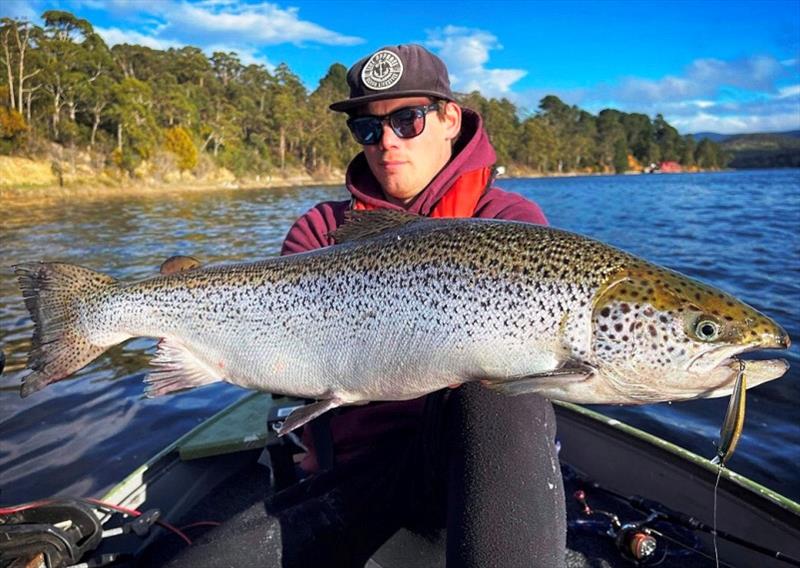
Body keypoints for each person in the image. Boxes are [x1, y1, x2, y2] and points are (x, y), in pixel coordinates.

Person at [160, 44, 566, 568]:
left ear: (449, 120)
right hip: (355, 480)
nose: (387, 143)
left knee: (504, 386)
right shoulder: (319, 231)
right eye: (368, 129)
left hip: (477, 472)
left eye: (407, 119)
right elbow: (283, 368)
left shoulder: (508, 219)